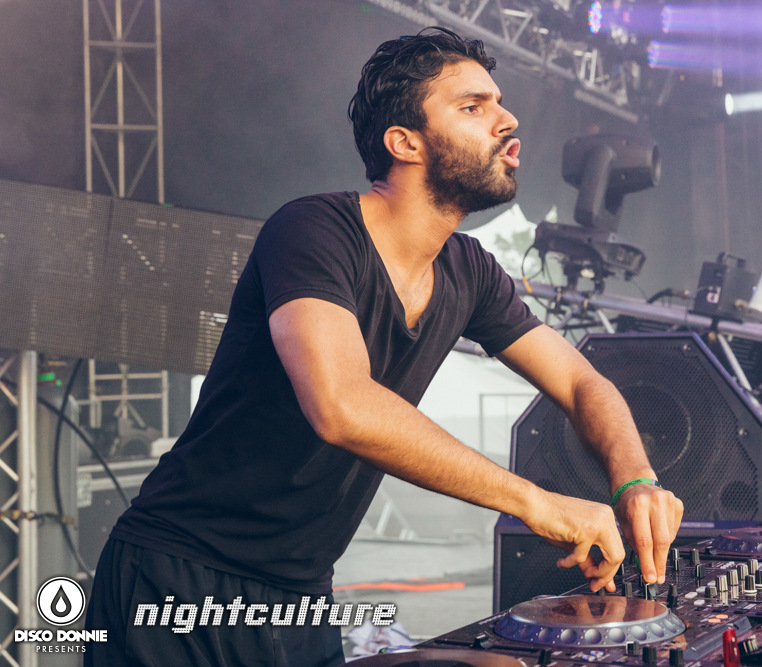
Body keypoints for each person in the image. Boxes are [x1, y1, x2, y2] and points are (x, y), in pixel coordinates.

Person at [85, 26, 683, 666]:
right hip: (177, 578)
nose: (507, 120)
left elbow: (583, 383)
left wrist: (635, 480)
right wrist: (538, 504)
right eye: (473, 107)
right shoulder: (313, 230)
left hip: (301, 597)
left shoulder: (470, 269)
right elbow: (341, 405)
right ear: (405, 142)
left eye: (499, 102)